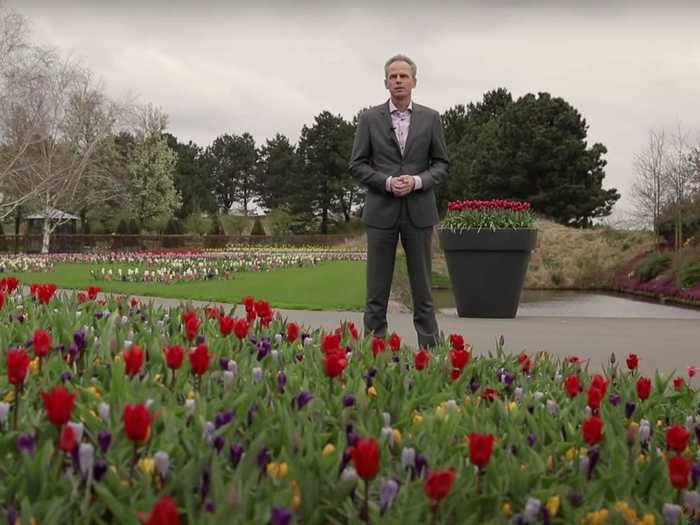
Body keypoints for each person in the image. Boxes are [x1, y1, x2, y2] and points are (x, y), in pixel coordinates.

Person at [349, 54, 449, 348]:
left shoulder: (431, 118)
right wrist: (387, 182)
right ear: (385, 82)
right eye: (393, 77)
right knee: (376, 292)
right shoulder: (369, 119)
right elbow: (357, 164)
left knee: (423, 291)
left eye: (403, 76)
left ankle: (430, 355)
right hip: (381, 214)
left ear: (414, 81)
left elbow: (441, 164)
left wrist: (417, 181)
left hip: (419, 213)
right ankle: (374, 353)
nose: (398, 81)